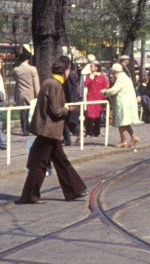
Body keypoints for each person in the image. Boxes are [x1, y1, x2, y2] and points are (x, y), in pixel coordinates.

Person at [18, 55, 88, 204]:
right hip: (49, 131)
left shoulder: (49, 82)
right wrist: (67, 108)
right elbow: (56, 111)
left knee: (56, 162)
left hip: (49, 131)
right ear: (66, 71)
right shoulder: (55, 85)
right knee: (43, 163)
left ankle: (74, 190)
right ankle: (31, 195)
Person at [103, 63, 141, 147]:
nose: (112, 74)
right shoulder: (126, 77)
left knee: (121, 122)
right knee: (124, 122)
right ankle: (133, 137)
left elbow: (114, 90)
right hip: (128, 102)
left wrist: (105, 91)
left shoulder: (121, 79)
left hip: (123, 103)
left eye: (112, 72)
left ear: (115, 71)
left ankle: (123, 141)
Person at [12, 49, 40, 135]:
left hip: (21, 92)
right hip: (31, 92)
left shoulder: (16, 70)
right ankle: (32, 128)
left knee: (23, 111)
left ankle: (24, 129)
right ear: (28, 59)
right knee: (31, 111)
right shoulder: (32, 69)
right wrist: (38, 94)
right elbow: (36, 83)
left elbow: (16, 79)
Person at [82, 61, 109, 137]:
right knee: (89, 115)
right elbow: (86, 84)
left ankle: (97, 132)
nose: (90, 68)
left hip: (99, 98)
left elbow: (105, 86)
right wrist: (91, 77)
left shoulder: (102, 76)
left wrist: (104, 97)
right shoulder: (88, 75)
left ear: (96, 67)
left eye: (92, 66)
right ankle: (89, 132)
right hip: (90, 98)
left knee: (98, 115)